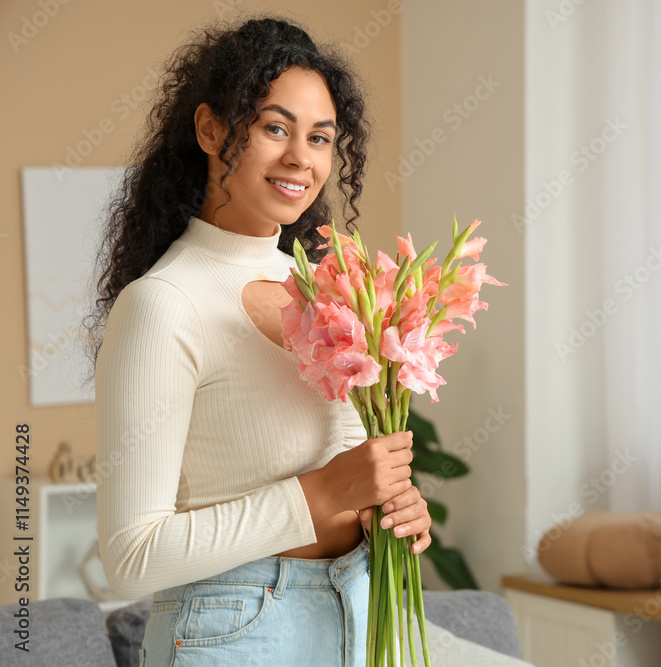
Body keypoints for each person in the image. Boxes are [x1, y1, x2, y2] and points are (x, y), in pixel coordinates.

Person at [88, 15, 433, 666]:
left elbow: (348, 475)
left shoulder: (328, 296)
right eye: (276, 127)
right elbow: (129, 558)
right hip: (231, 630)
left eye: (321, 137)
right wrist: (324, 494)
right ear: (211, 129)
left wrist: (389, 511)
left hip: (352, 613)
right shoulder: (164, 305)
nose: (302, 158)